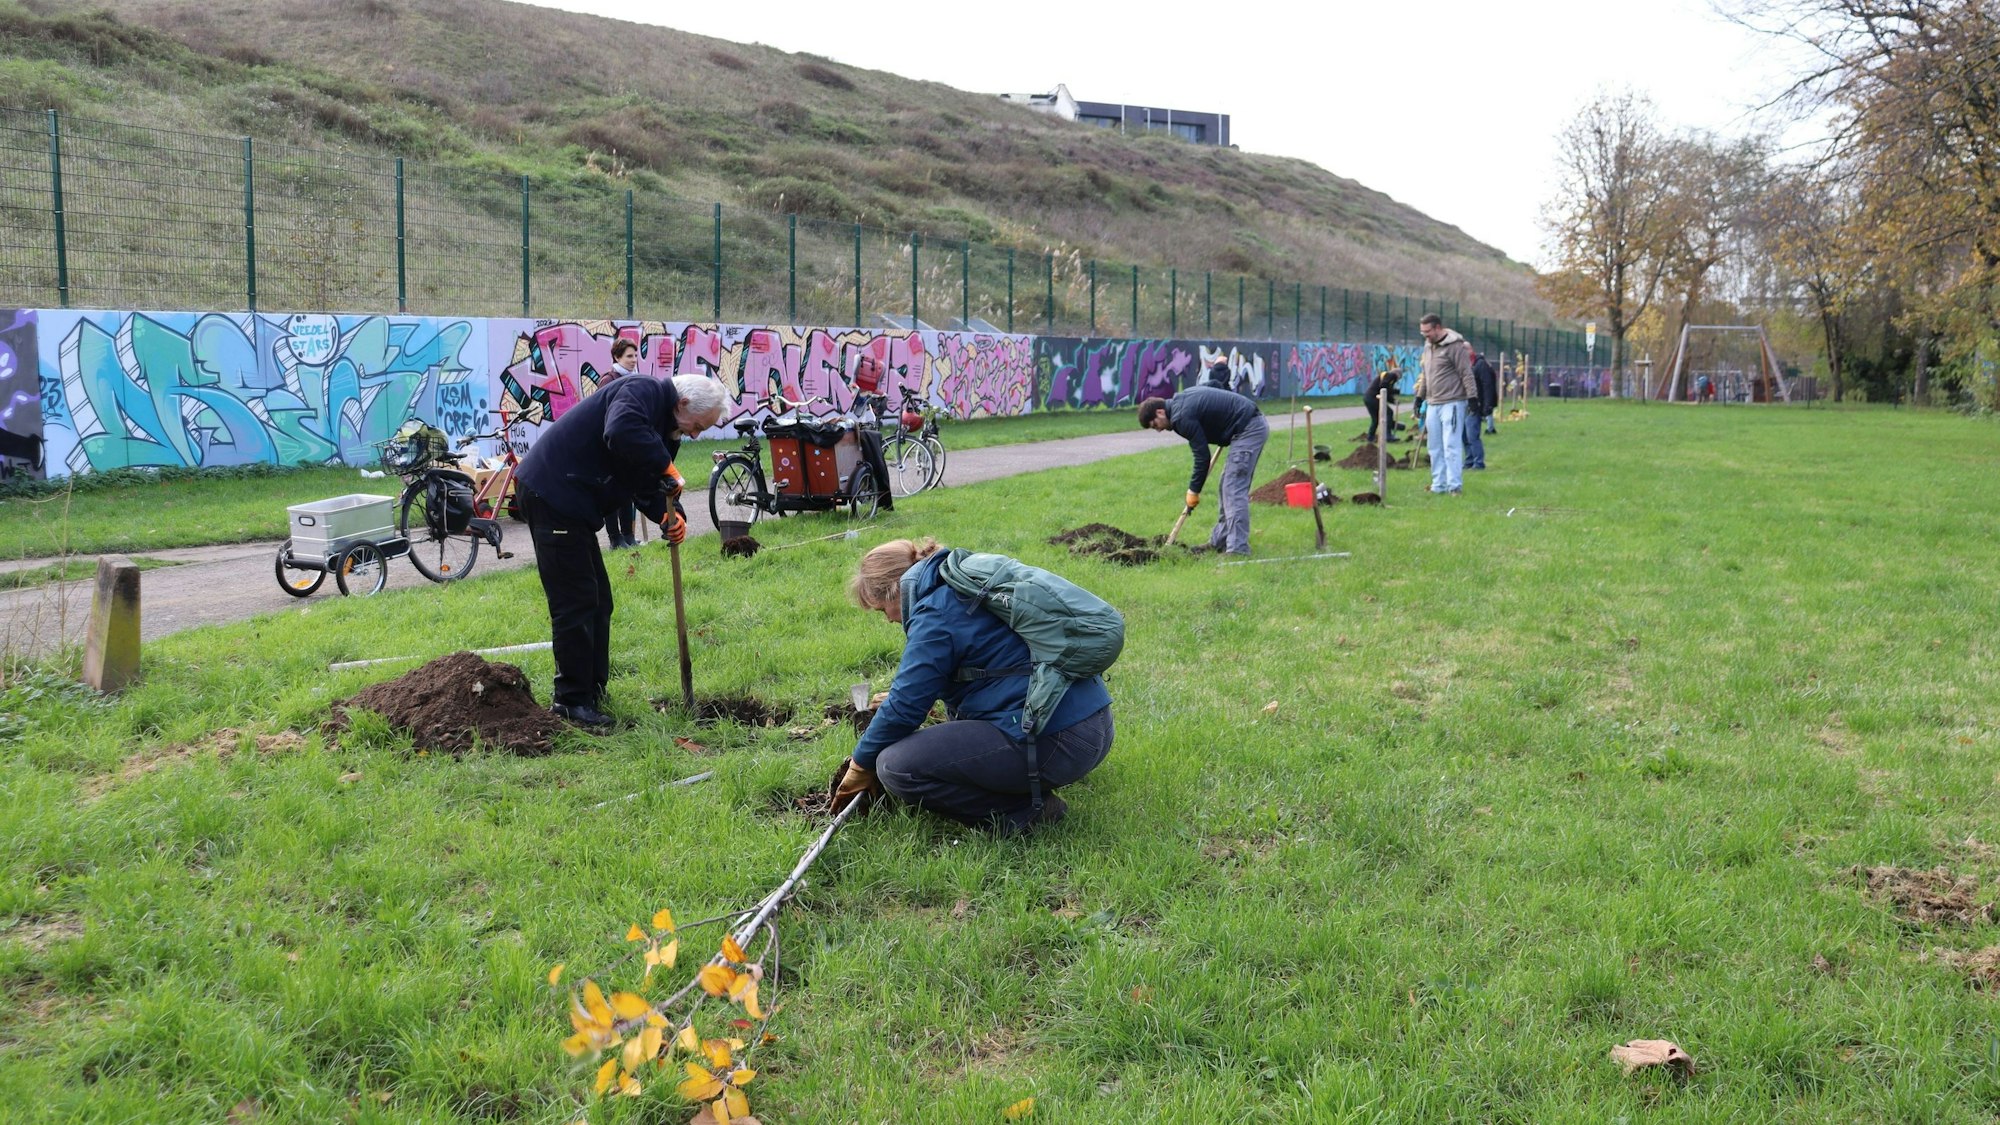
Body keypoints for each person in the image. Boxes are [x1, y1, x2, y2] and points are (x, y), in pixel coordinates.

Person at [828, 538, 1114, 834]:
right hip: (1093, 724)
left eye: (882, 610)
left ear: (894, 590)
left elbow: (904, 710)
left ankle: (1027, 813)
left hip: (1061, 744)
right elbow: (988, 665)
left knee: (896, 766)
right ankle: (1029, 778)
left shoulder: (934, 614)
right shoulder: (962, 584)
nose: (888, 620)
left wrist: (860, 766)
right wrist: (907, 695)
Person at [514, 372, 728, 728]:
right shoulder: (642, 390)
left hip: (572, 504)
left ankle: (591, 693)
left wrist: (670, 515)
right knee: (576, 601)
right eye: (697, 426)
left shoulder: (664, 428)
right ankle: (571, 703)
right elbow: (620, 431)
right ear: (683, 403)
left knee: (598, 601)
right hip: (551, 494)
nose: (694, 435)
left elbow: (644, 481)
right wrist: (666, 465)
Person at [1137, 385, 1268, 556]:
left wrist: (1193, 490)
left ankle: (1238, 549)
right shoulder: (1179, 403)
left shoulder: (1180, 417)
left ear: (1160, 412)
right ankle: (1220, 541)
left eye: (1155, 425)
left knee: (1233, 489)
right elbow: (1213, 389)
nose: (1159, 430)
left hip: (1249, 428)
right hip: (1241, 426)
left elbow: (1202, 457)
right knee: (1225, 487)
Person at [1416, 313, 1475, 495]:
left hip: (1453, 402)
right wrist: (1419, 397)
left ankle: (1454, 485)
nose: (1425, 336)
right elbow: (1426, 375)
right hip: (1433, 403)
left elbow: (1466, 373)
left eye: (1428, 331)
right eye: (1423, 332)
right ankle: (1438, 485)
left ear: (1438, 328)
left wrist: (1472, 397)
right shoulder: (1428, 347)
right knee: (1434, 447)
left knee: (1451, 445)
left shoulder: (1455, 347)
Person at [599, 340, 642, 550]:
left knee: (627, 491)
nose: (634, 360)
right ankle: (615, 539)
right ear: (617, 357)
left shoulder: (635, 379)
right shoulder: (608, 380)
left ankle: (629, 536)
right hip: (610, 445)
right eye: (629, 356)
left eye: (635, 356)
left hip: (629, 444)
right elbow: (603, 412)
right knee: (611, 492)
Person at [1463, 350, 1499, 470]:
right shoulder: (1465, 365)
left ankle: (1478, 462)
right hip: (1464, 404)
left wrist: (1487, 405)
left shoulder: (1480, 365)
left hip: (1475, 404)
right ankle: (1469, 460)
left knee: (1472, 435)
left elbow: (1487, 385)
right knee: (1464, 435)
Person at [1359, 366, 1402, 442]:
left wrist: (1393, 401)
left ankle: (1370, 437)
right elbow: (1383, 386)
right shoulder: (1391, 375)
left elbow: (1385, 392)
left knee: (1375, 419)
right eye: (1399, 378)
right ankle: (1388, 435)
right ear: (1397, 374)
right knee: (1389, 413)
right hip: (1373, 398)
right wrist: (1395, 391)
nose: (1397, 380)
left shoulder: (1386, 377)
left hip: (1368, 398)